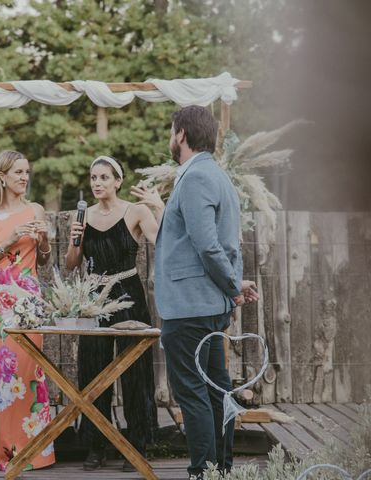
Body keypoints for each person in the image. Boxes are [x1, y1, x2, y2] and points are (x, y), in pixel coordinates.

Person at [152, 105, 258, 478]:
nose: (170, 137)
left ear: (181, 134)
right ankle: (221, 470)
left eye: (171, 131)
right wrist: (233, 287)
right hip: (208, 304)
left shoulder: (195, 178)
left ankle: (202, 472)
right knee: (216, 390)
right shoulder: (219, 176)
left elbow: (208, 246)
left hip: (189, 308)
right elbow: (231, 244)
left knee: (194, 393)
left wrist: (231, 286)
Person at [65, 155, 164, 472]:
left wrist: (159, 208)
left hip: (128, 293)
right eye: (93, 178)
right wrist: (75, 239)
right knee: (93, 369)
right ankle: (97, 445)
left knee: (134, 370)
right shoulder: (82, 215)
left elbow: (161, 241)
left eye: (104, 177)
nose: (97, 183)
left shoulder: (135, 211)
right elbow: (71, 263)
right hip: (93, 299)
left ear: (118, 181)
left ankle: (135, 444)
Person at [0, 150, 55, 471]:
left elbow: (44, 259)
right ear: (2, 176)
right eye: (18, 172)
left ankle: (32, 446)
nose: (24, 177)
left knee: (27, 371)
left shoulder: (36, 209)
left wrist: (43, 240)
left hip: (28, 300)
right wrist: (11, 239)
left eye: (27, 172)